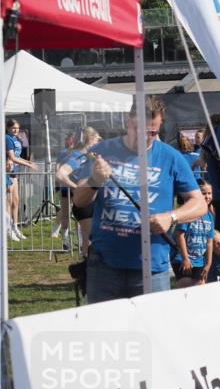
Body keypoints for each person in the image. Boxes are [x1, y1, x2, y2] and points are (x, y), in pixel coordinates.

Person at [71, 97, 207, 302]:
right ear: (129, 121)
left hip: (151, 268)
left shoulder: (171, 157)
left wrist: (171, 216)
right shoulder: (102, 152)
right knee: (106, 331)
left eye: (153, 132)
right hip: (104, 266)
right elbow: (79, 200)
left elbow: (199, 203)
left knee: (151, 331)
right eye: (140, 130)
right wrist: (94, 180)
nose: (147, 138)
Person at [54, 127, 101, 250]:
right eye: (97, 139)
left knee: (92, 241)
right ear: (89, 139)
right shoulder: (78, 156)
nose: (98, 143)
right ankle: (86, 264)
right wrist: (77, 187)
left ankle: (86, 262)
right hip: (84, 204)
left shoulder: (88, 155)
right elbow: (60, 174)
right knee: (89, 244)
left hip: (90, 202)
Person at [173, 179, 215, 288]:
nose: (207, 196)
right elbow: (179, 235)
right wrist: (185, 258)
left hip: (199, 261)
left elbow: (209, 241)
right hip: (183, 259)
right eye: (203, 193)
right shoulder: (189, 212)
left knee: (200, 286)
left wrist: (208, 263)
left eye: (209, 193)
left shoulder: (210, 216)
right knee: (186, 287)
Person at [5, 118, 37, 241]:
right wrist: (28, 165)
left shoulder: (16, 139)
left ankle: (15, 226)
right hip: (7, 172)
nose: (16, 130)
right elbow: (12, 157)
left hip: (14, 173)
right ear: (8, 128)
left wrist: (27, 161)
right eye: (13, 128)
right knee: (8, 201)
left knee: (16, 201)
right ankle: (8, 228)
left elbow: (18, 156)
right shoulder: (7, 138)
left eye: (17, 128)